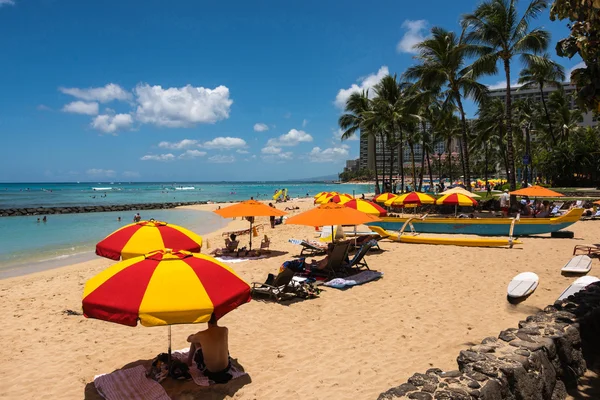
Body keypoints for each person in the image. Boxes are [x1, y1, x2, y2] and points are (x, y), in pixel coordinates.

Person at [186, 314, 232, 383]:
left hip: (210, 371)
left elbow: (188, 339)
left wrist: (193, 336)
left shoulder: (202, 334)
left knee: (195, 341)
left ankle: (189, 362)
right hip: (226, 368)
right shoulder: (225, 330)